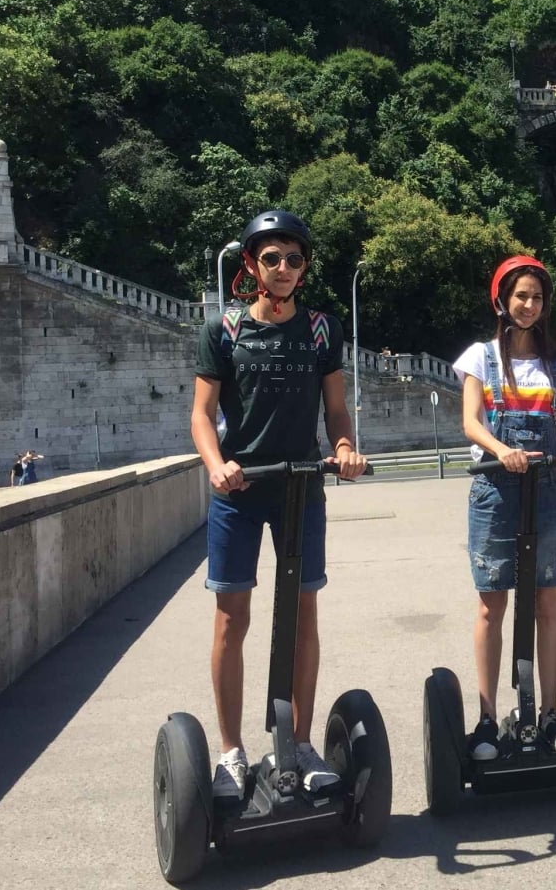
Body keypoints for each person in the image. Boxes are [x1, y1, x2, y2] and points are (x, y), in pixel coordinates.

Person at [190, 209, 368, 801]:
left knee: (302, 616)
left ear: (305, 265)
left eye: (294, 258)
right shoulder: (224, 331)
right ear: (251, 266)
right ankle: (230, 751)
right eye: (272, 259)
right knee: (230, 619)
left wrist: (343, 444)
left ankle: (300, 742)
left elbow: (336, 408)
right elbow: (200, 416)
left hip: (300, 488)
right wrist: (217, 465)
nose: (284, 268)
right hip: (240, 491)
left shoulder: (322, 330)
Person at [453, 254, 556, 761]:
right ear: (502, 300)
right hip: (496, 487)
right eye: (521, 296)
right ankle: (488, 718)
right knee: (492, 602)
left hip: (549, 488)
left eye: (537, 297)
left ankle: (550, 712)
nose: (529, 305)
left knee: (546, 600)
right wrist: (500, 450)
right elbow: (471, 421)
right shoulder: (480, 357)